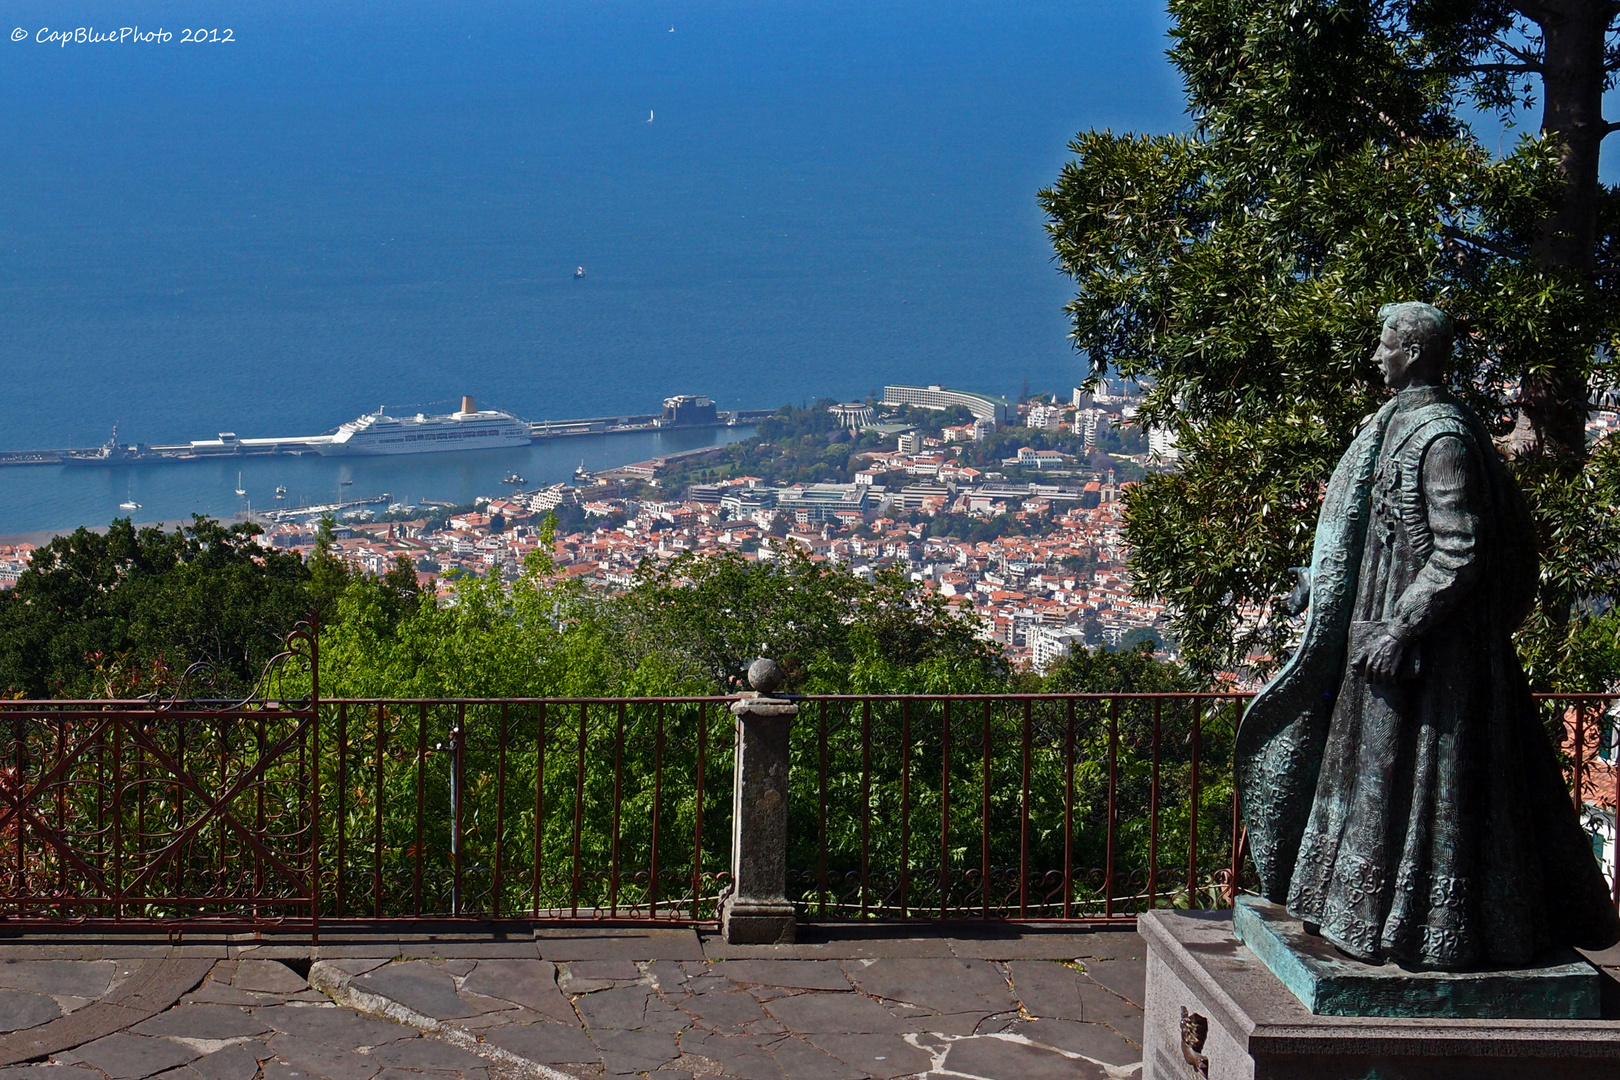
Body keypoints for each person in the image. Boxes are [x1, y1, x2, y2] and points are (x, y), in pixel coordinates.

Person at [1237, 302, 1619, 970]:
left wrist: (1404, 624)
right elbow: (1370, 530)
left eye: (1384, 345)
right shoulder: (1400, 426)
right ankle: (1358, 916)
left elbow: (1461, 548)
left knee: (1415, 793)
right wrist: (1321, 582)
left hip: (1429, 660)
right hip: (1386, 641)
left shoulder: (1440, 438)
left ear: (1412, 353)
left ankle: (1416, 929)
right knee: (1374, 782)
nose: (1375, 357)